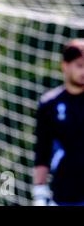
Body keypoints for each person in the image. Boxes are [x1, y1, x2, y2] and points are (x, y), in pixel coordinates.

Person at [33, 39, 84, 206]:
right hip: (65, 194)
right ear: (65, 65)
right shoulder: (49, 104)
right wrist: (39, 192)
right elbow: (42, 150)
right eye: (80, 65)